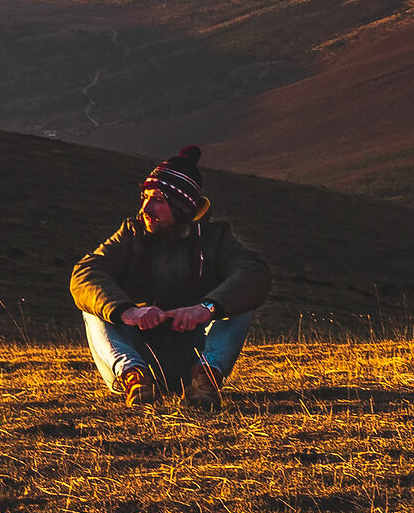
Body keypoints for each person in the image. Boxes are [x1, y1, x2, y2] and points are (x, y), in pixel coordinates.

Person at [70, 145, 272, 408]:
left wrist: (206, 308)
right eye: (144, 197)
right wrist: (127, 311)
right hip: (138, 350)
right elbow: (86, 274)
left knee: (238, 306)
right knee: (96, 308)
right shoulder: (131, 235)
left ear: (181, 205)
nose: (145, 207)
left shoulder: (214, 239)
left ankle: (206, 377)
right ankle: (133, 376)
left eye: (158, 200)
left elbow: (255, 273)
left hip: (193, 356)